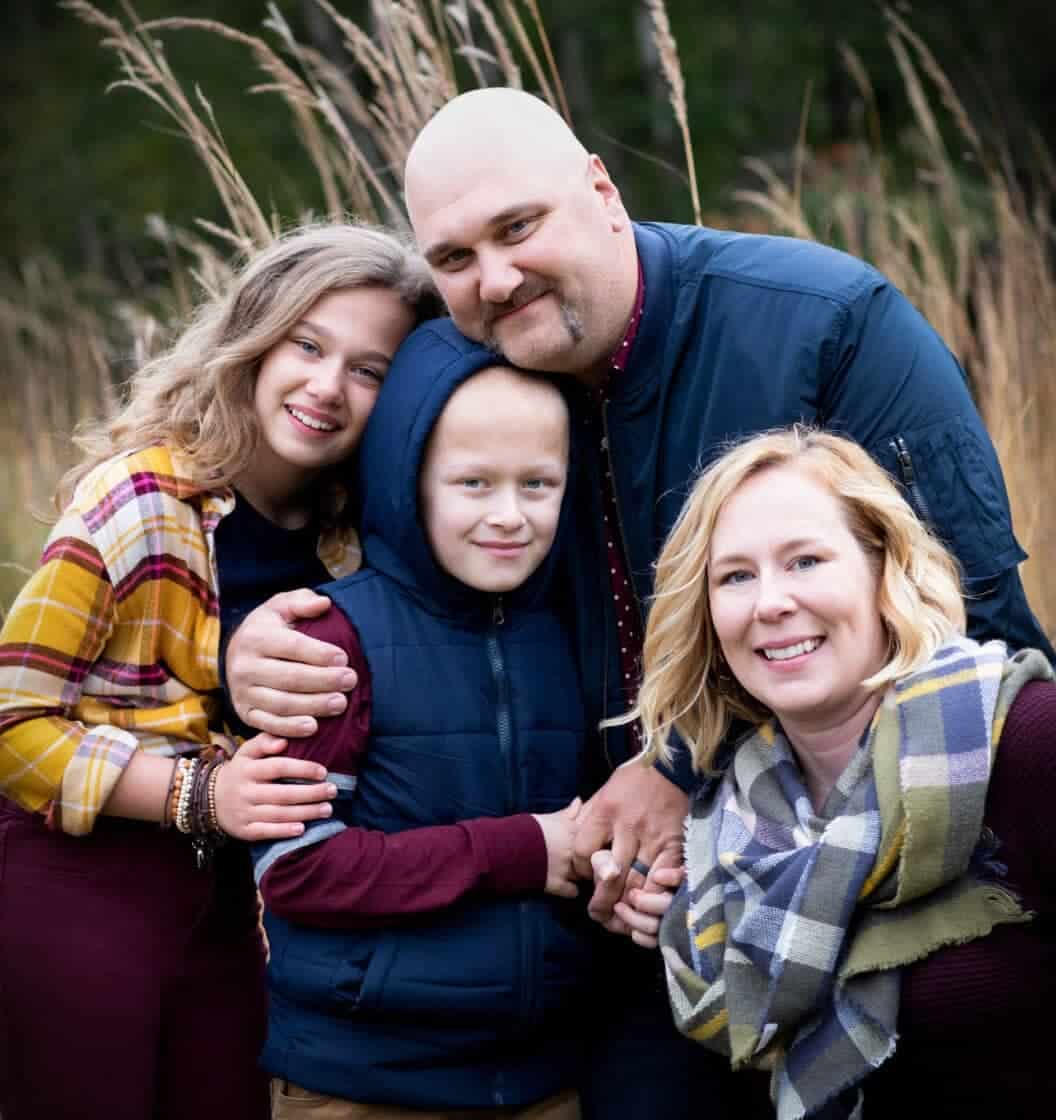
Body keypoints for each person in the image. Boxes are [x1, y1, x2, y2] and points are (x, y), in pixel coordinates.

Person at [223, 88, 1053, 1117]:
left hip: (860, 853)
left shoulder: (824, 325)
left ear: (601, 192)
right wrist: (256, 625)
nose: (493, 276)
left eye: (518, 227)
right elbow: (326, 496)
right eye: (453, 258)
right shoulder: (473, 366)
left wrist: (679, 764)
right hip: (607, 915)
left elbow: (972, 619)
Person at [0, 222, 439, 1120]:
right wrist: (200, 795)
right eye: (307, 344)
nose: (327, 386)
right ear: (254, 342)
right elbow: (1, 727)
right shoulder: (143, 500)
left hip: (232, 904)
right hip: (79, 887)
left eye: (370, 370)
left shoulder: (352, 543)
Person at [632, 426, 1056, 1118]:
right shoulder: (721, 840)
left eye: (804, 561)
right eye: (736, 576)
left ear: (883, 568)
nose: (770, 602)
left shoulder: (1028, 746)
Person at [257, 319, 604, 1119]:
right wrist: (519, 850)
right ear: (407, 480)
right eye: (473, 484)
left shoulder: (569, 634)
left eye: (538, 484)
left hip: (542, 1078)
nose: (510, 515)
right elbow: (296, 866)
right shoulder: (332, 640)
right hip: (363, 1083)